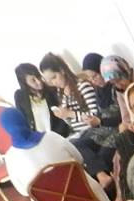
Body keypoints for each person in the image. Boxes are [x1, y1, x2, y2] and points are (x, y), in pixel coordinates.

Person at [0, 107, 109, 201]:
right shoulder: (52, 136)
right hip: (89, 198)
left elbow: (24, 191)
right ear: (25, 120)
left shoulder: (11, 158)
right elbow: (79, 160)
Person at [38, 52, 114, 190]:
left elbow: (94, 115)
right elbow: (72, 124)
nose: (54, 82)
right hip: (79, 132)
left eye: (54, 77)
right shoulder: (62, 93)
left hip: (93, 129)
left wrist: (70, 113)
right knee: (63, 149)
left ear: (62, 70)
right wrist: (64, 116)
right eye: (50, 81)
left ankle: (102, 176)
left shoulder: (82, 86)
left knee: (74, 144)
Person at [12, 63, 71, 137]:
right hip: (38, 138)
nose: (39, 81)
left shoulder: (51, 89)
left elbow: (63, 111)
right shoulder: (20, 96)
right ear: (25, 83)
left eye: (38, 76)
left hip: (60, 135)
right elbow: (23, 120)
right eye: (33, 80)